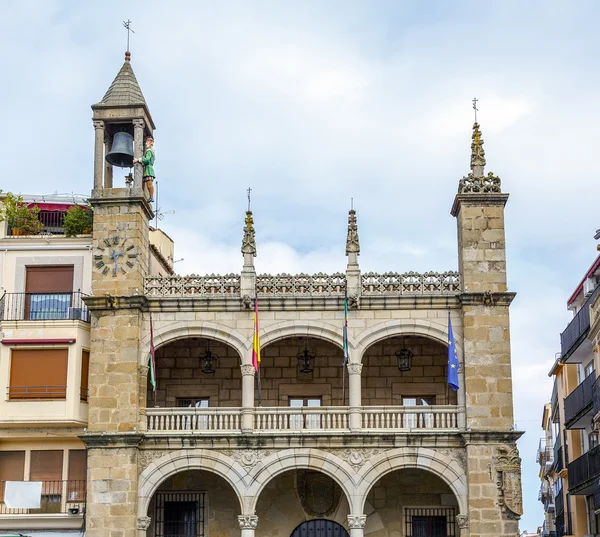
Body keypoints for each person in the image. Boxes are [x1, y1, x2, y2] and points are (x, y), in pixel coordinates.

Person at [133, 136, 155, 202]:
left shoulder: (149, 151)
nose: (146, 144)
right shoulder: (151, 151)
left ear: (151, 143)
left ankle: (151, 197)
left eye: (147, 142)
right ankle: (150, 197)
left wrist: (138, 160)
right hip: (147, 168)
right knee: (147, 183)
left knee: (149, 184)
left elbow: (147, 160)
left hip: (148, 169)